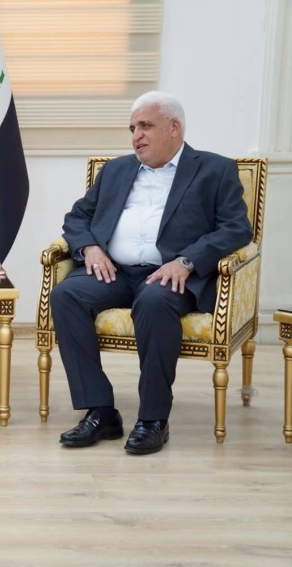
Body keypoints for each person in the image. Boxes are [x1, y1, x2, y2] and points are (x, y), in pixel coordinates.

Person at [52, 91, 252, 455]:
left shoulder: (215, 169)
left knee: (155, 302)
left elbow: (236, 228)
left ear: (173, 127)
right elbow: (77, 217)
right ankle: (100, 411)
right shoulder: (116, 170)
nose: (136, 136)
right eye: (132, 128)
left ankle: (153, 419)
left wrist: (188, 261)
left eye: (145, 126)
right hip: (115, 271)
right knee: (67, 295)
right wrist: (90, 248)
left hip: (169, 275)